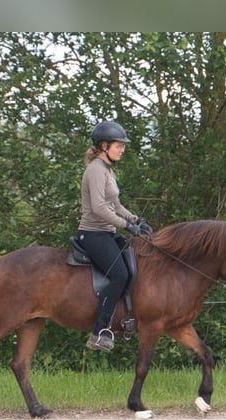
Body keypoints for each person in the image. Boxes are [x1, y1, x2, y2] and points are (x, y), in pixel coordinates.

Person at [77, 120, 151, 352]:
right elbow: (99, 208)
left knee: (134, 264)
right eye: (118, 146)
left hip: (107, 233)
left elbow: (115, 205)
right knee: (119, 274)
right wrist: (126, 226)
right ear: (103, 146)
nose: (122, 150)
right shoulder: (96, 170)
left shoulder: (108, 170)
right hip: (92, 234)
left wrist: (135, 220)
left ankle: (125, 318)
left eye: (122, 146)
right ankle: (99, 332)